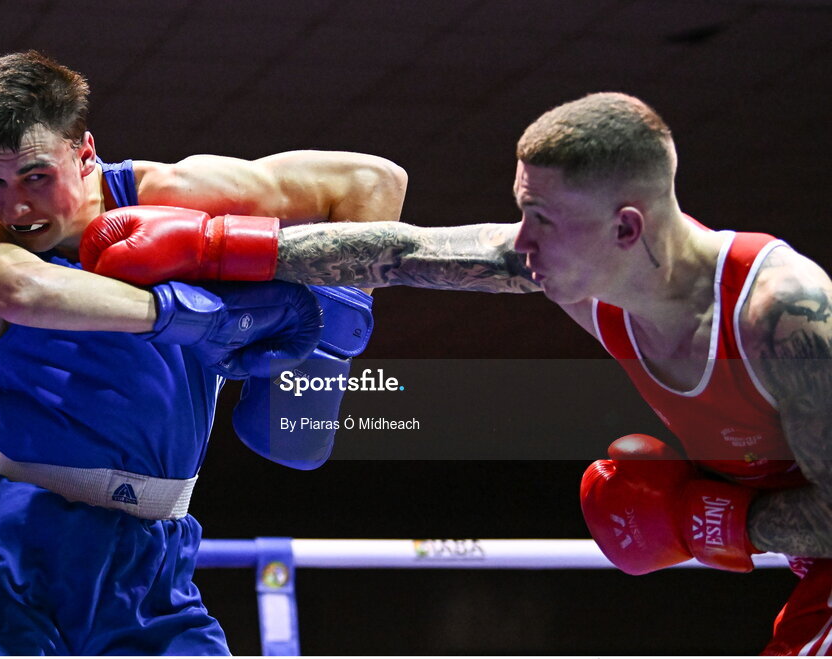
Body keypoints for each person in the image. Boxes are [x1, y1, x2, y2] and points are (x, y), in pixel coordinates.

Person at [255, 92, 830, 654]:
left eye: (543, 220)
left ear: (626, 229)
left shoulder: (783, 318)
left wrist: (699, 519)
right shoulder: (588, 279)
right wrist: (219, 251)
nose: (522, 240)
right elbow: (403, 253)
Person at [0, 50, 406, 655]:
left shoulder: (171, 194)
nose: (15, 205)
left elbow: (372, 183)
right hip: (25, 551)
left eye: (35, 176)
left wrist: (331, 327)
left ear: (84, 154)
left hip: (156, 556)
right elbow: (23, 292)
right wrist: (189, 319)